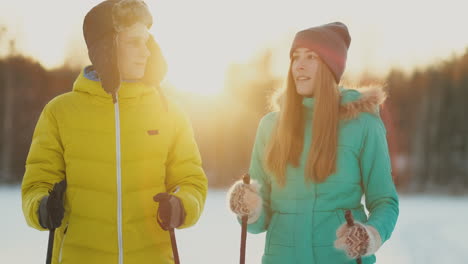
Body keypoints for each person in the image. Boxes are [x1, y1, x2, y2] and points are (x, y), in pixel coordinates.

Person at [21, 0, 208, 263]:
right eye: (134, 42)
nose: (145, 52)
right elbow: (36, 185)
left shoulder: (169, 112)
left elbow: (192, 182)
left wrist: (180, 206)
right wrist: (42, 207)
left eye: (147, 42)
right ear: (106, 48)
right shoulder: (60, 112)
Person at [228, 22, 399, 264]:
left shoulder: (362, 125)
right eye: (295, 57)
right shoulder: (271, 126)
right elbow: (259, 224)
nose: (299, 64)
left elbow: (385, 201)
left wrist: (370, 235)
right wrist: (249, 207)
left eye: (311, 57)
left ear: (331, 67)